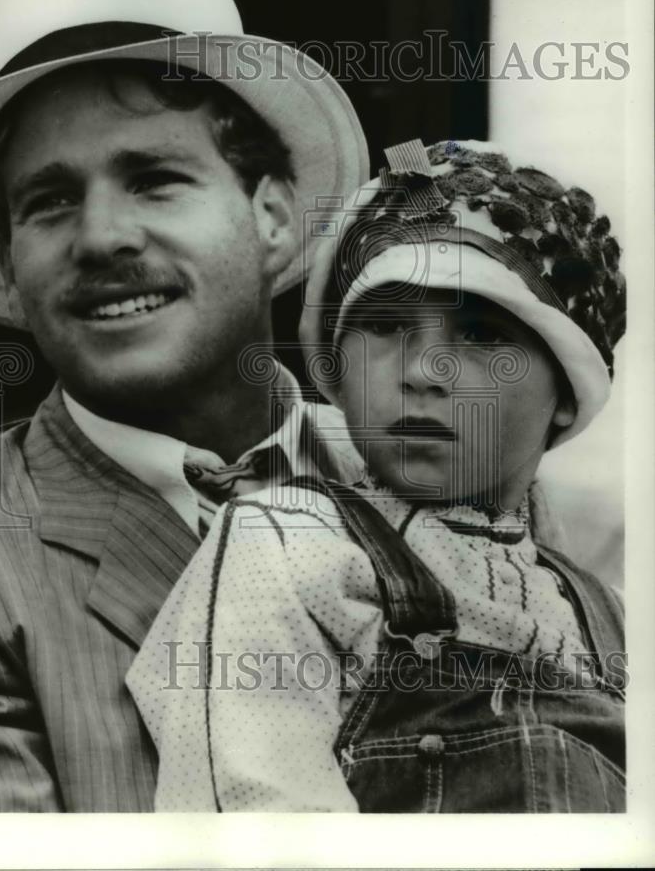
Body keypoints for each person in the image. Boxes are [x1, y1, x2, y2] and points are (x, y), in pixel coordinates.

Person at [0, 0, 370, 811]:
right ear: (8, 263)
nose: (102, 238)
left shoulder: (429, 475)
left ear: (271, 216)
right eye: (48, 202)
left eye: (155, 178)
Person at [129, 138, 626, 813]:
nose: (422, 370)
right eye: (386, 325)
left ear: (566, 390)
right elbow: (257, 815)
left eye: (480, 335)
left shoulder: (608, 617)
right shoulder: (286, 544)